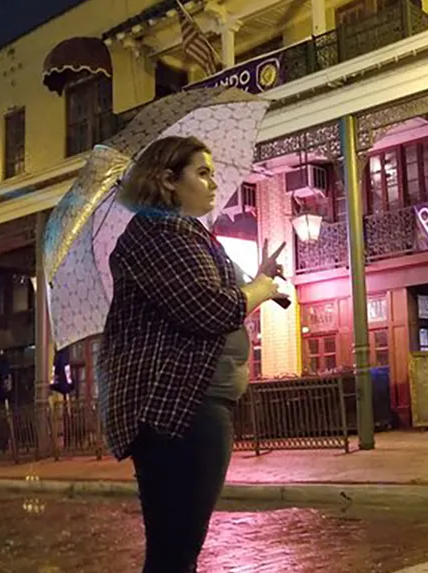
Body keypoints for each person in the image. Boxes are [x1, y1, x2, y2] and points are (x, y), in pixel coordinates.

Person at [98, 135, 288, 572]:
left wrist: (257, 277)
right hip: (177, 410)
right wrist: (259, 289)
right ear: (167, 180)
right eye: (202, 173)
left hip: (193, 405)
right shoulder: (158, 233)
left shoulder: (184, 233)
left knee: (179, 547)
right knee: (175, 549)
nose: (213, 183)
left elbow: (211, 294)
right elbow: (209, 308)